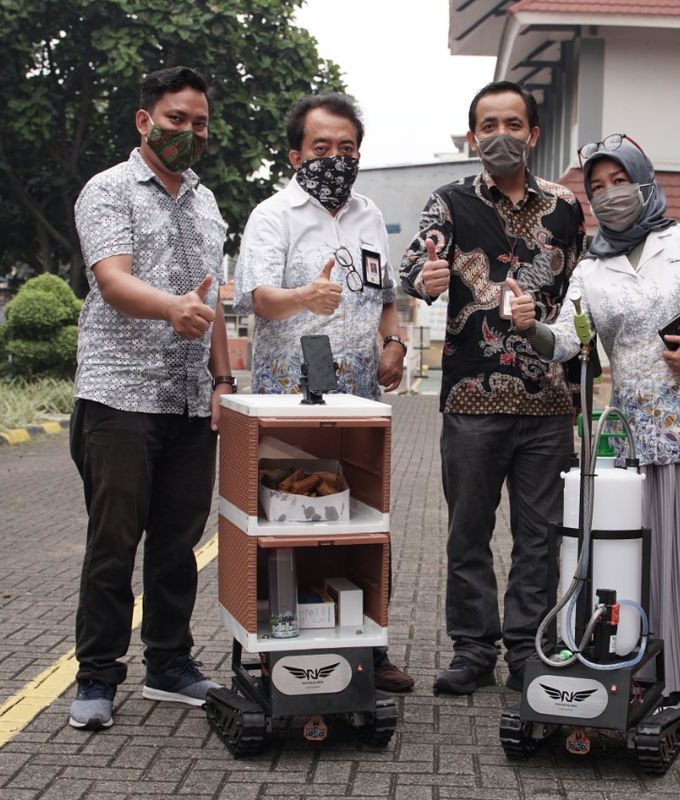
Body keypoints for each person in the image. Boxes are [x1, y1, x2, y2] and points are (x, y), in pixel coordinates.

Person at [509, 134, 680, 711]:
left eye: (618, 181)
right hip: (635, 438)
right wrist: (529, 326)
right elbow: (570, 343)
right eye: (596, 188)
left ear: (643, 180)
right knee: (641, 558)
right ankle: (646, 663)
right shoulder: (591, 270)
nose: (608, 196)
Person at [400, 81, 585, 695]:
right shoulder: (449, 202)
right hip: (472, 398)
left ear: (532, 135)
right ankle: (472, 649)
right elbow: (415, 267)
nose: (499, 135)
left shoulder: (566, 208)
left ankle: (528, 650)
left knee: (541, 535)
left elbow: (583, 295)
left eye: (513, 123)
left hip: (550, 401)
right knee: (468, 532)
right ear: (472, 134)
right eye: (488, 124)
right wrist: (425, 278)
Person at [68, 66, 234, 730]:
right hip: (119, 398)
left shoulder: (208, 202)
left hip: (191, 403)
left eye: (198, 123)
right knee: (114, 543)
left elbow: (213, 301)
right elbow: (113, 282)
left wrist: (224, 383)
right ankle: (97, 676)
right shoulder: (108, 190)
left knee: (177, 545)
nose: (188, 132)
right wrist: (173, 310)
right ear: (145, 121)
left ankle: (169, 665)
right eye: (175, 119)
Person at [232, 92, 414, 692]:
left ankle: (371, 644)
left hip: (360, 403)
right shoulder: (273, 215)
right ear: (294, 154)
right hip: (288, 400)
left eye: (347, 148)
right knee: (291, 522)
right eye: (321, 147)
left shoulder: (369, 216)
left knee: (365, 520)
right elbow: (256, 296)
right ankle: (279, 642)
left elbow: (386, 300)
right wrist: (304, 298)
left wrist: (394, 345)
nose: (335, 158)